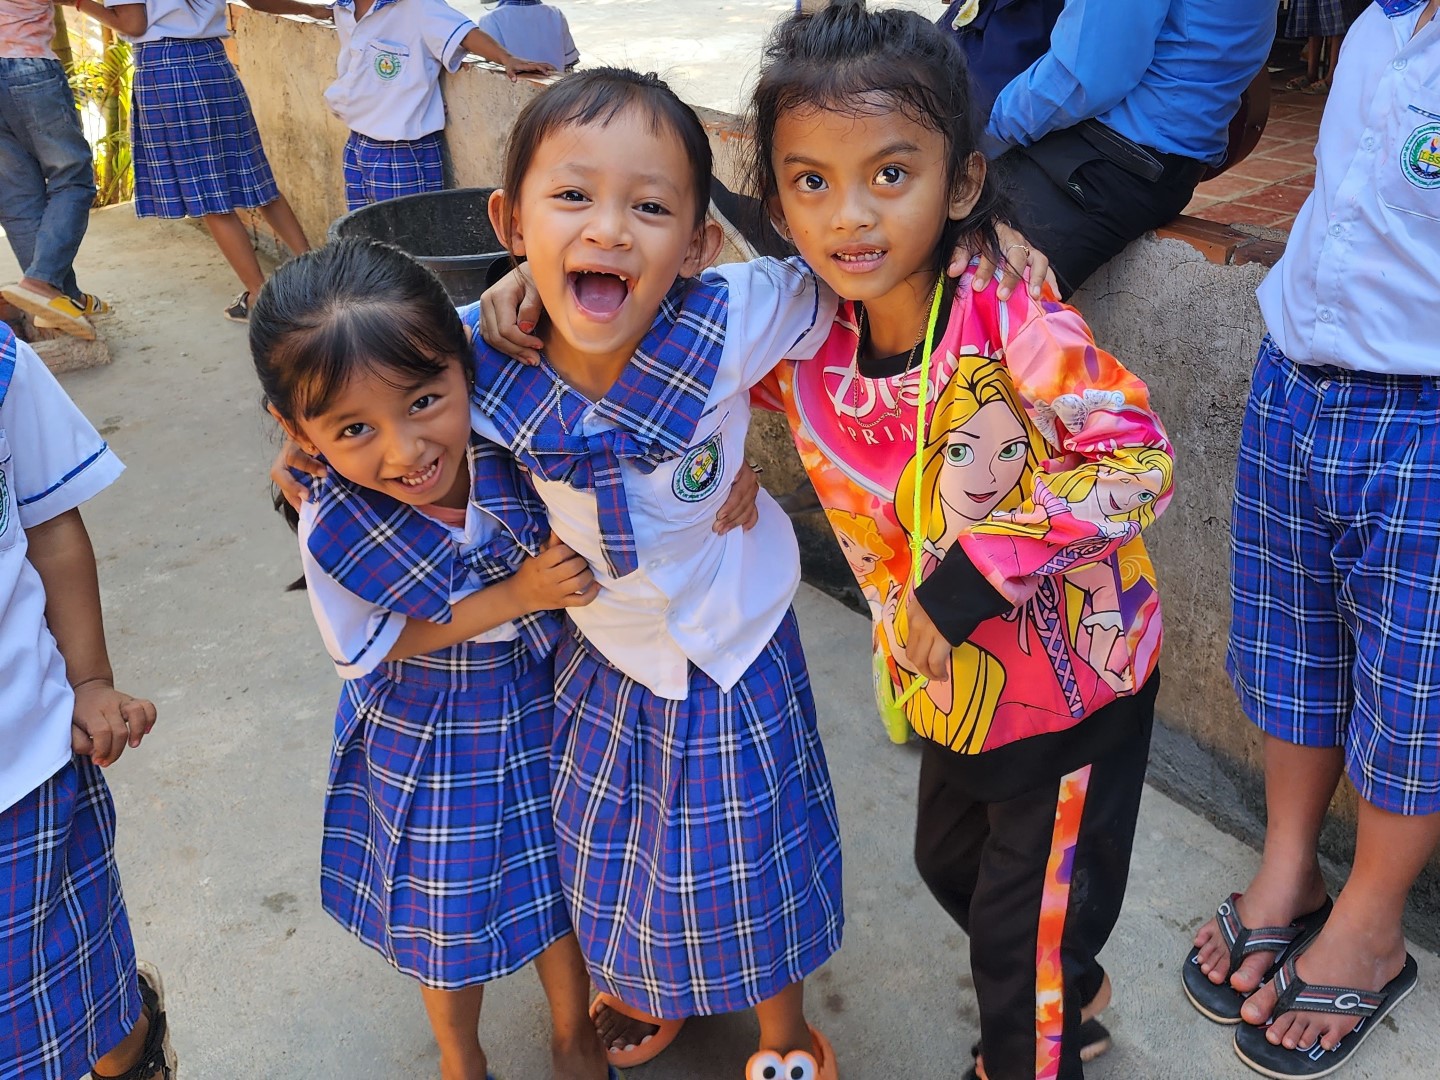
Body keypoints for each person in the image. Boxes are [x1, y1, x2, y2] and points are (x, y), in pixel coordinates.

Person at [480, 10, 1171, 1079]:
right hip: (950, 692)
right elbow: (668, 362)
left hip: (1073, 688)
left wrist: (971, 581)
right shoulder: (810, 335)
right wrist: (517, 293)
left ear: (963, 181)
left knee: (1014, 948)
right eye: (810, 182)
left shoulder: (1014, 323)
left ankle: (1035, 1035)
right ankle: (1063, 986)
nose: (849, 216)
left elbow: (1135, 459)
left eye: (890, 174)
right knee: (949, 867)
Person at [473, 67, 847, 1080]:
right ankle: (648, 980)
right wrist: (302, 449)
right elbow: (371, 394)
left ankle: (783, 1036)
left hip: (734, 639)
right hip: (604, 649)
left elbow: (855, 288)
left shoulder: (735, 313)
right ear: (512, 223)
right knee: (615, 842)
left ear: (696, 247)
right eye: (571, 198)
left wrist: (775, 461)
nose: (607, 230)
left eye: (648, 207)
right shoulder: (476, 358)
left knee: (751, 846)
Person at [250, 237, 626, 1080]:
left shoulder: (493, 400)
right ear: (295, 430)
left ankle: (573, 1037)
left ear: (462, 367)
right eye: (353, 429)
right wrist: (516, 597)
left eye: (425, 402)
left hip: (546, 695)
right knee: (443, 914)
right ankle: (461, 1058)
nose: (405, 451)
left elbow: (572, 309)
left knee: (558, 884)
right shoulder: (331, 519)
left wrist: (523, 278)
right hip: (428, 726)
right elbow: (371, 648)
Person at [1185, 2, 1440, 1077]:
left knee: (1414, 690)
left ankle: (1372, 929)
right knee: (1291, 646)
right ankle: (1289, 869)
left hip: (1426, 414)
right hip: (1297, 379)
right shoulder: (1382, 15)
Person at [0, 318, 172, 1080]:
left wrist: (90, 679)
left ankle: (137, 1051)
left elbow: (50, 527)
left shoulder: (3, 367)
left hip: (29, 774)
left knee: (93, 996)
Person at [986, 0, 1279, 298]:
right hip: (1160, 159)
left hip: (1112, 158)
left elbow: (1085, 75)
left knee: (974, 279)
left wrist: (988, 133)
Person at [79, 0, 324, 323]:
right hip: (213, 62)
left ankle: (258, 297)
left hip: (166, 69)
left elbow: (134, 23)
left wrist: (78, 3)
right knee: (256, 178)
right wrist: (314, 10)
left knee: (210, 198)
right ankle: (320, 274)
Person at [327, 0, 554, 212]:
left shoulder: (419, 6)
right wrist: (312, 10)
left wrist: (507, 58)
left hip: (400, 150)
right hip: (357, 142)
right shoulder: (345, 7)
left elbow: (464, 33)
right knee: (361, 229)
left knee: (407, 235)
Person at [0, 0, 109, 340]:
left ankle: (63, 296)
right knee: (73, 179)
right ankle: (41, 281)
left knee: (18, 197)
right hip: (26, 64)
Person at [475, 0, 579, 74]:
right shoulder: (556, 14)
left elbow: (490, 68)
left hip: (514, 92)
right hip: (555, 92)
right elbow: (570, 63)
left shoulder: (490, 19)